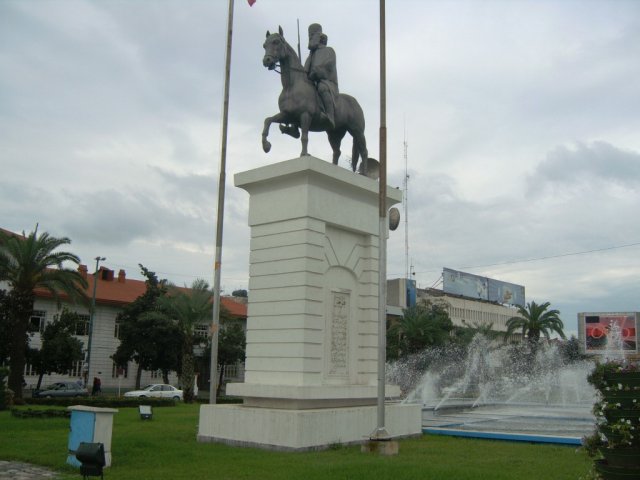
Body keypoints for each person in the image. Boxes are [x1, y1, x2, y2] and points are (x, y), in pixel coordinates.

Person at [304, 23, 338, 129]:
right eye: (310, 36)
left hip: (326, 82)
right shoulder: (311, 55)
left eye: (312, 36)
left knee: (322, 88)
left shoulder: (329, 51)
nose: (310, 39)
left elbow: (329, 64)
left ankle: (330, 116)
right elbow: (305, 70)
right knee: (301, 93)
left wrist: (317, 71)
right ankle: (294, 127)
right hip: (313, 82)